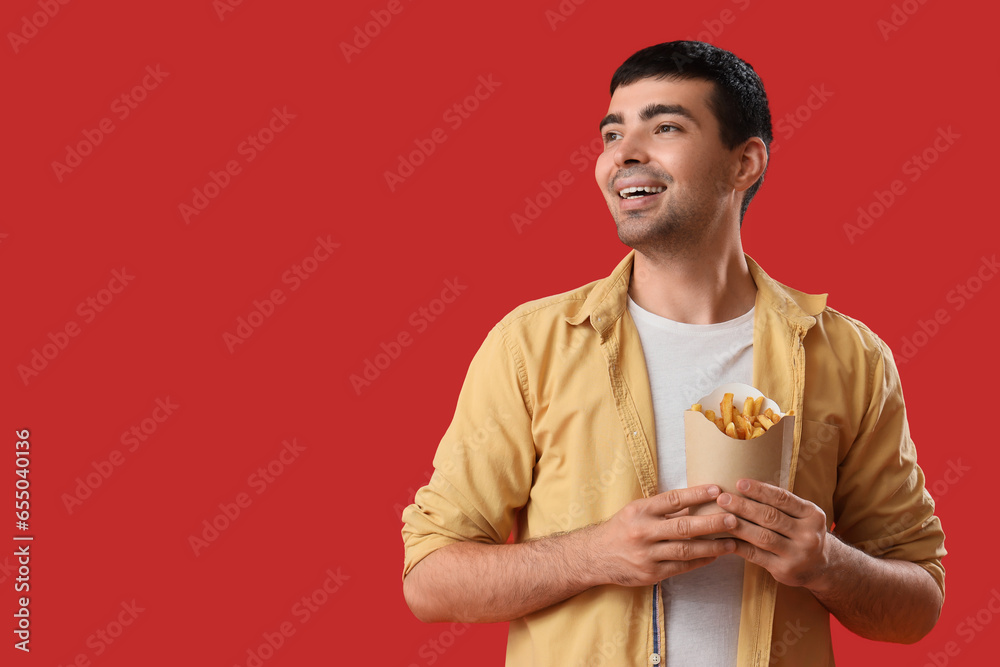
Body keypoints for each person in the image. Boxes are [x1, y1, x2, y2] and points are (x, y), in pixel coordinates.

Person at [400, 40, 945, 666]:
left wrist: (826, 563)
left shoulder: (849, 357)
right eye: (611, 135)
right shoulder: (531, 346)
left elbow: (918, 603)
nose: (623, 155)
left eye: (664, 127)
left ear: (744, 163)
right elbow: (429, 579)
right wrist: (596, 553)